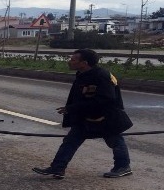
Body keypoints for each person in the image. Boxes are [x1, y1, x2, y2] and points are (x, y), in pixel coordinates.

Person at [33, 49, 132, 179]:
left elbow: (105, 99)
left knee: (115, 141)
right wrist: (73, 109)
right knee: (70, 141)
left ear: (84, 63)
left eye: (73, 60)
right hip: (86, 117)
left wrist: (73, 108)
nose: (70, 61)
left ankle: (123, 167)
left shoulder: (102, 76)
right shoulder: (82, 74)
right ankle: (58, 168)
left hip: (106, 117)